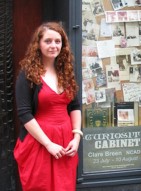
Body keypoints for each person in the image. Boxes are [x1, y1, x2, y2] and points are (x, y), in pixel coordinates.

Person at [14, 22, 82, 191]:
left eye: (58, 41)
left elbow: (75, 106)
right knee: (40, 185)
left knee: (64, 186)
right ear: (38, 44)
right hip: (39, 141)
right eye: (48, 41)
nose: (54, 46)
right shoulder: (27, 73)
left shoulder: (66, 71)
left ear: (63, 45)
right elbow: (24, 113)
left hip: (66, 141)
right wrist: (48, 144)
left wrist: (77, 137)